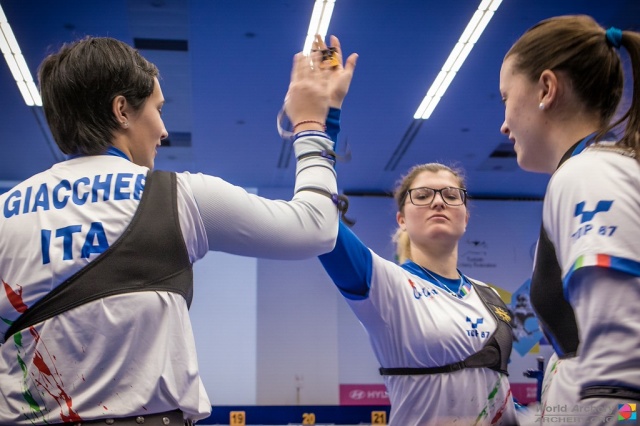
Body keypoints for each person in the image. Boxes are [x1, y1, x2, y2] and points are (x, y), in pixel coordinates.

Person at [0, 35, 357, 425]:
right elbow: (317, 228)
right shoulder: (176, 196)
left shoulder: (4, 213)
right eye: (157, 109)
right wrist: (315, 122)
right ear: (122, 110)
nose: (163, 130)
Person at [499, 14, 640, 424]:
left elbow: (622, 373)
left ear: (546, 88)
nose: (504, 123)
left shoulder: (588, 174)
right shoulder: (597, 170)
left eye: (505, 97)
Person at [319, 163, 518, 426]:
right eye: (423, 196)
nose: (438, 202)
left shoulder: (490, 295)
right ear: (401, 219)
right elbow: (318, 221)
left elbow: (494, 388)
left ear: (466, 218)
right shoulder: (388, 283)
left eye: (450, 195)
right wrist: (314, 131)